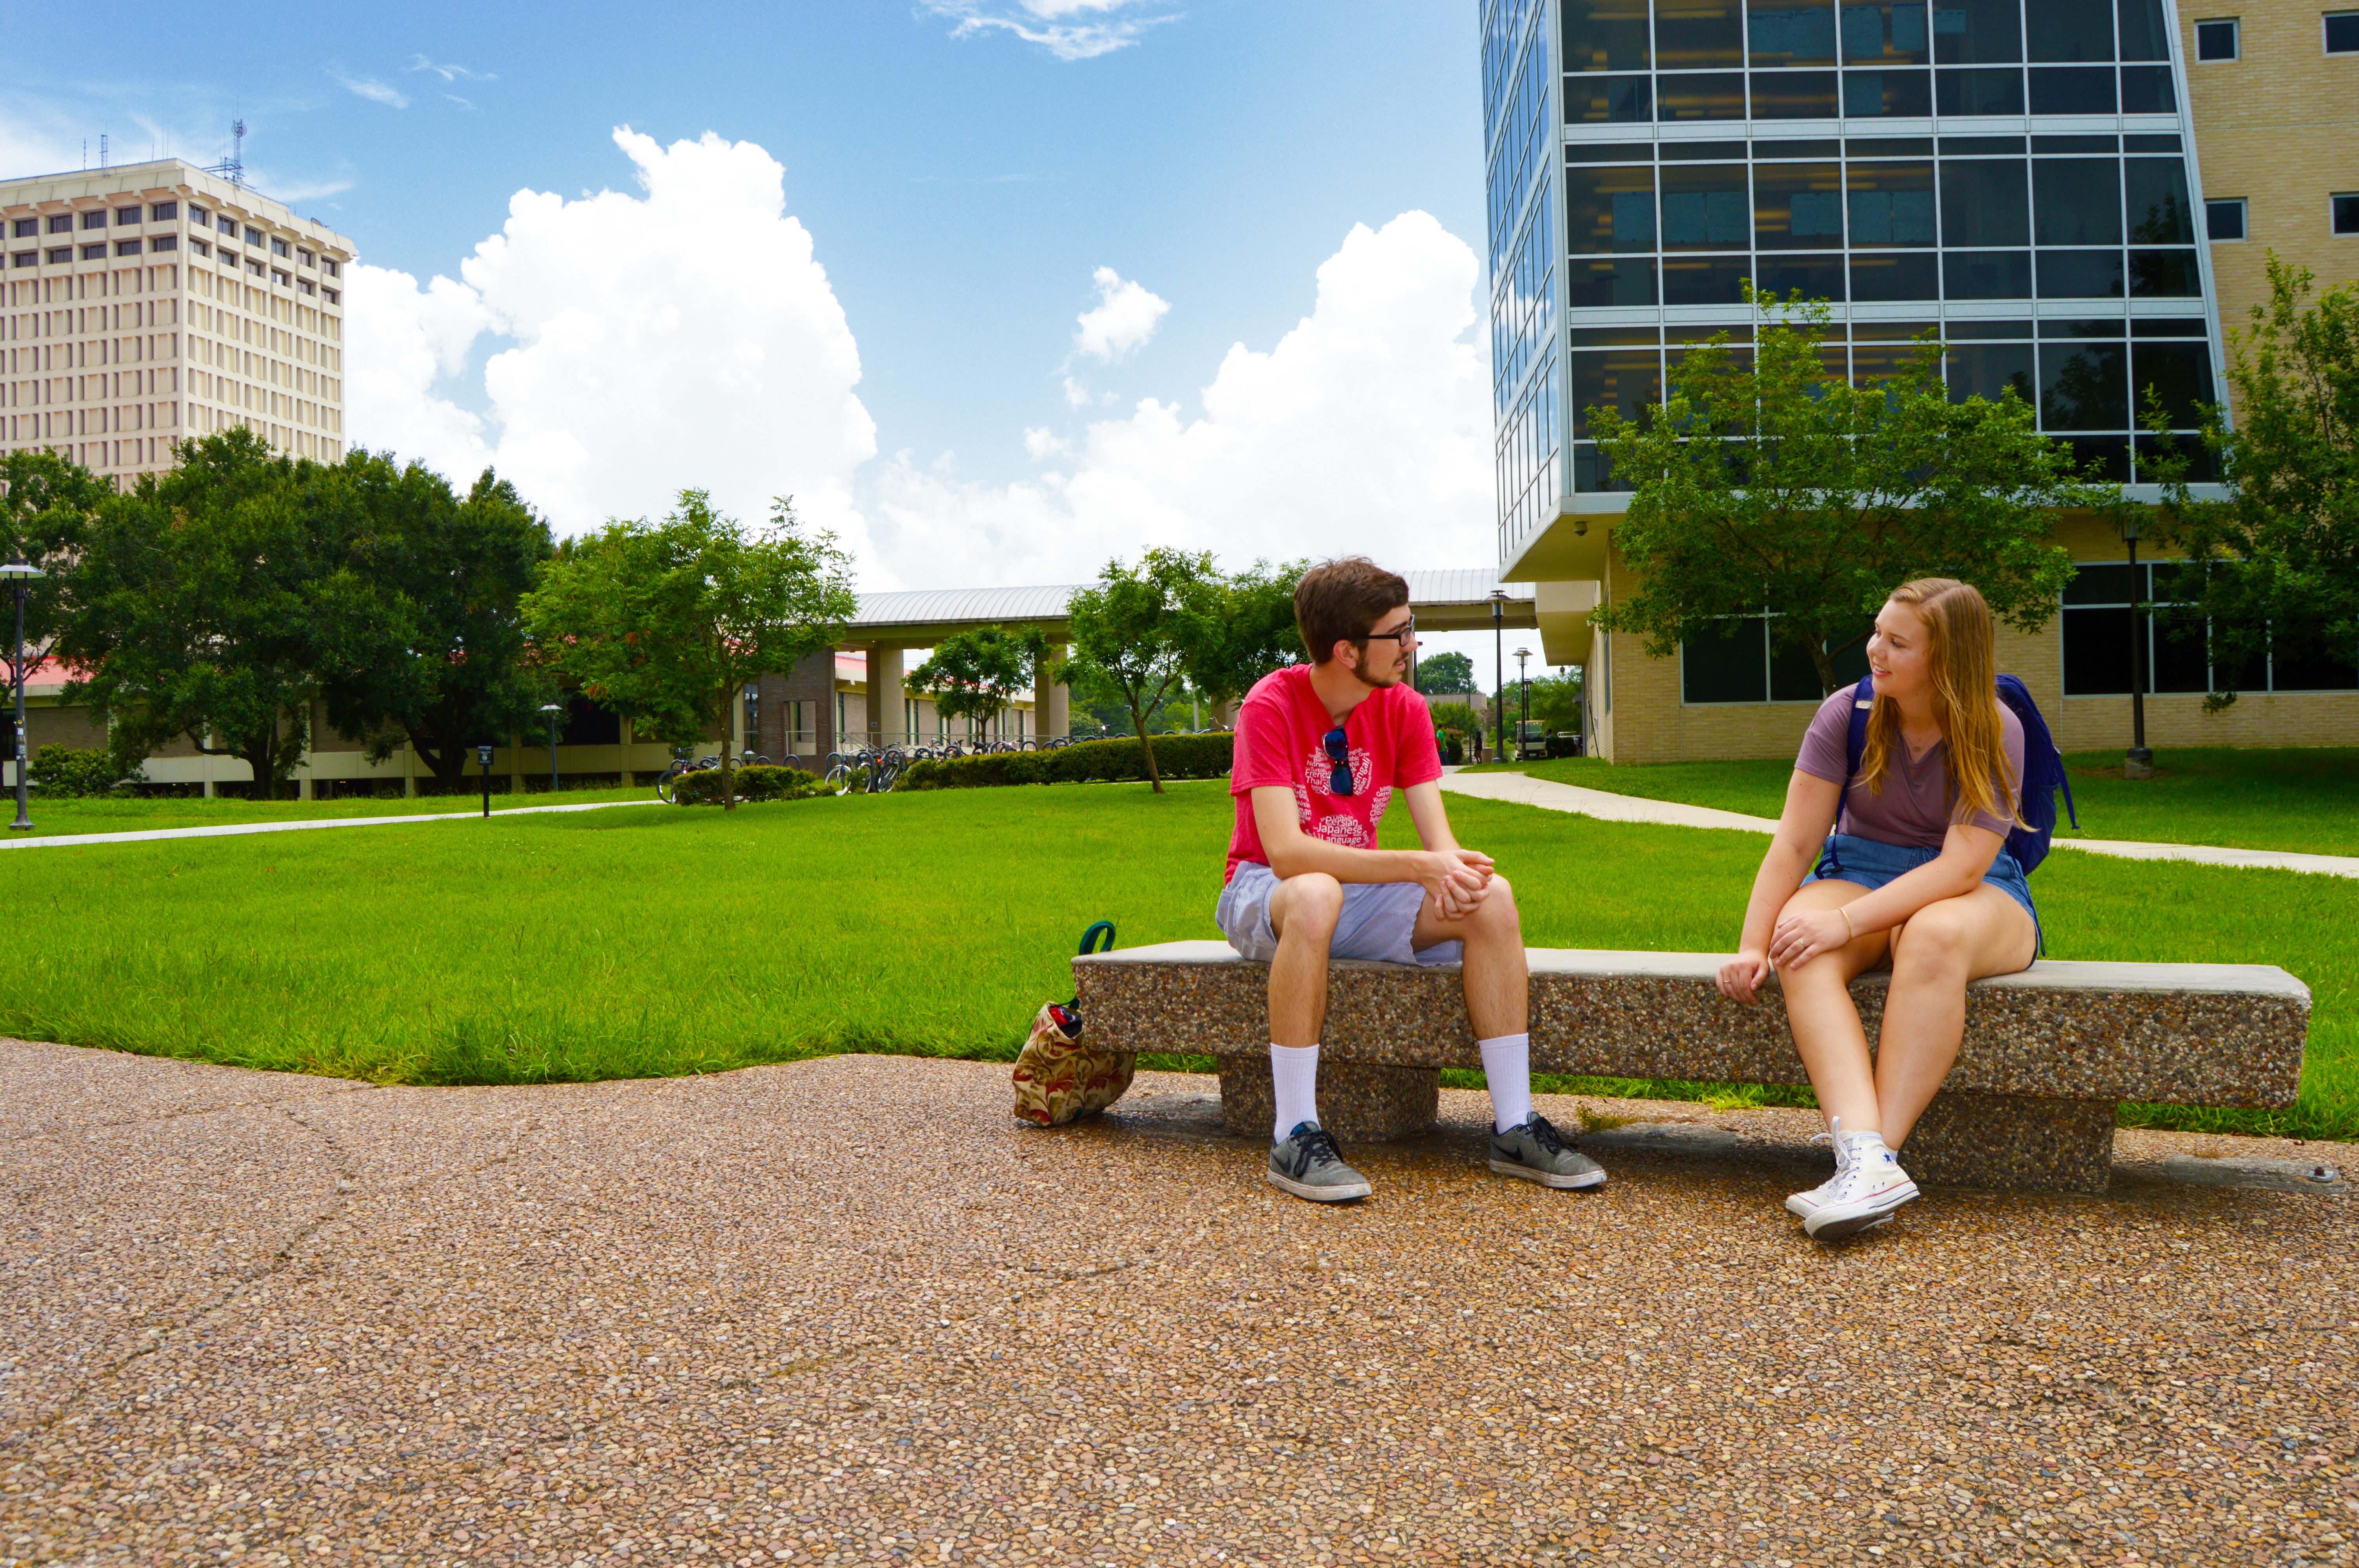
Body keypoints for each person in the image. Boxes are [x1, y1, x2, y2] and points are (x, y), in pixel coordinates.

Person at [1216, 557, 1606, 1202]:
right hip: (1265, 893)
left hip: (1354, 898)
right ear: (1346, 650)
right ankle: (1294, 1135)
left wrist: (1451, 874)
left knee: (1492, 897)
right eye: (1397, 634)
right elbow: (1286, 853)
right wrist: (1421, 868)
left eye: (1411, 628)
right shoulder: (1272, 704)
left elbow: (1440, 843)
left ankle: (1514, 1126)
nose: (1411, 645)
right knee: (1316, 892)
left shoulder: (1404, 709)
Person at [1717, 578, 2039, 1241]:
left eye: (1898, 642)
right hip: (1860, 869)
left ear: (1945, 659)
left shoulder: (1993, 724)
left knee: (1934, 936)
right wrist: (1754, 945)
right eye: (1877, 633)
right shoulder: (1848, 712)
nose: (1875, 650)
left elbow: (1961, 867)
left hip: (1978, 890)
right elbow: (1796, 840)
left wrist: (1845, 920)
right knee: (1799, 944)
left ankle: (1872, 1162)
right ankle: (1865, 1158)